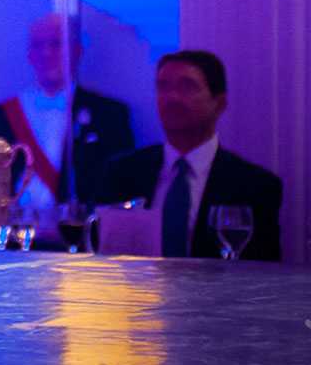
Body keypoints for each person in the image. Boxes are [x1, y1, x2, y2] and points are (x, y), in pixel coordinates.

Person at [100, 50, 282, 262]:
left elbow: (262, 274)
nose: (172, 97)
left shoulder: (254, 186)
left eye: (187, 87)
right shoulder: (122, 173)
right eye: (163, 87)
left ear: (219, 103)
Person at [0, 13, 134, 224]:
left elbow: (120, 186)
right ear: (29, 55)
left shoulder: (109, 114)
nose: (46, 53)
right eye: (38, 45)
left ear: (77, 51)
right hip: (13, 234)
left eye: (56, 44)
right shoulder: (1, 114)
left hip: (78, 235)